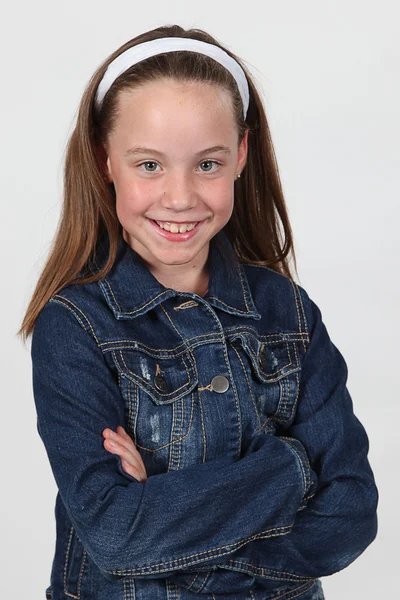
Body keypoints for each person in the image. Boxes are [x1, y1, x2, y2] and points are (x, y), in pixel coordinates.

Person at [18, 24, 379, 600]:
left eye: (207, 164)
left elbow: (352, 514)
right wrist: (289, 468)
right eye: (150, 165)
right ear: (104, 159)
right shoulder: (76, 325)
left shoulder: (288, 311)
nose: (181, 197)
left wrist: (161, 516)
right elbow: (115, 537)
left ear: (240, 155)